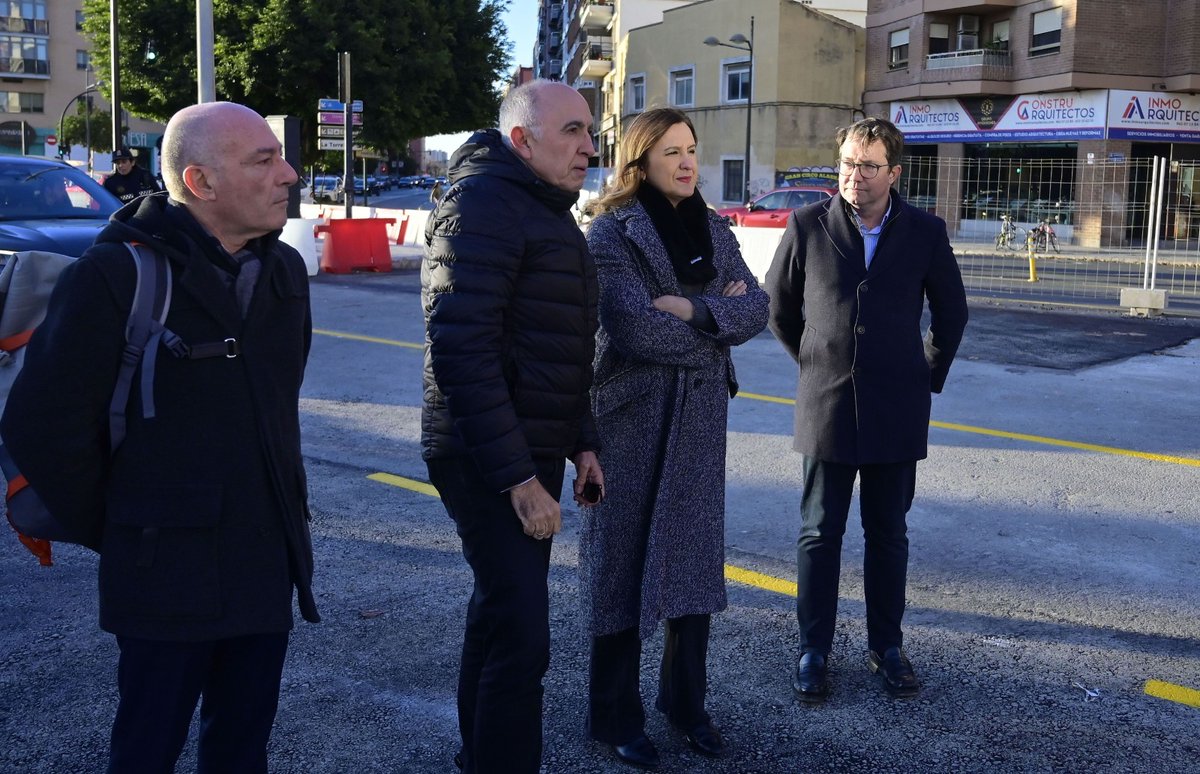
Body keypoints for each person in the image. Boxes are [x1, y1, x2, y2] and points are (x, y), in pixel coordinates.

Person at [1, 102, 317, 772]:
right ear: (201, 182)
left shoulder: (286, 272)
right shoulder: (116, 274)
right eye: (263, 160)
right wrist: (125, 522)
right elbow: (39, 424)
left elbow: (276, 411)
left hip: (264, 564)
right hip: (161, 577)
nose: (288, 173)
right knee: (147, 747)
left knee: (242, 748)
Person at [421, 79, 605, 774]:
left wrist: (581, 440)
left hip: (530, 444)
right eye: (572, 132)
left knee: (501, 611)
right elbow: (462, 350)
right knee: (524, 633)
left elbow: (556, 344)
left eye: (590, 131)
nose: (589, 146)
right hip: (484, 453)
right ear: (522, 140)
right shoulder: (484, 205)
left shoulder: (541, 206)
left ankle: (479, 754)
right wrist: (521, 479)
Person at [581, 107, 769, 769]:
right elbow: (634, 329)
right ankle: (614, 716)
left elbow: (759, 307)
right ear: (640, 161)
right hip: (630, 421)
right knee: (621, 568)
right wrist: (718, 326)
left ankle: (686, 706)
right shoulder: (611, 233)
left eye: (691, 150)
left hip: (697, 421)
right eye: (671, 152)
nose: (688, 163)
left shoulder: (712, 227)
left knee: (692, 567)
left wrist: (692, 307)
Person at [765, 116, 968, 703]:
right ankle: (813, 651)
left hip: (896, 411)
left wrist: (923, 373)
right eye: (848, 164)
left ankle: (888, 646)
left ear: (894, 172)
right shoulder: (807, 225)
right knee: (818, 534)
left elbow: (951, 316)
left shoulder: (925, 232)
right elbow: (779, 308)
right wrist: (815, 360)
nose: (855, 176)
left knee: (888, 534)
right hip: (825, 406)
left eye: (869, 165)